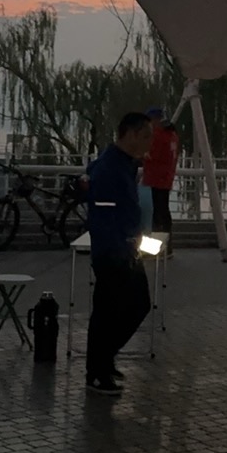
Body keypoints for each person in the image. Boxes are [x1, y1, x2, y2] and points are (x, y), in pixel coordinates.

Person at [85, 111, 154, 394]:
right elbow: (103, 217)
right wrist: (119, 250)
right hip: (114, 253)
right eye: (146, 136)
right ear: (131, 134)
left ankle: (102, 361)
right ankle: (98, 370)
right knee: (111, 310)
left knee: (130, 306)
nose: (150, 142)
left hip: (127, 249)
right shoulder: (109, 169)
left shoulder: (123, 164)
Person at [141, 106, 181, 235]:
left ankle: (158, 237)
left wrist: (141, 155)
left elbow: (152, 155)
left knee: (156, 211)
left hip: (155, 177)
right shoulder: (172, 135)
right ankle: (166, 237)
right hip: (166, 177)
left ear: (155, 120)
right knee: (163, 209)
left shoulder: (158, 135)